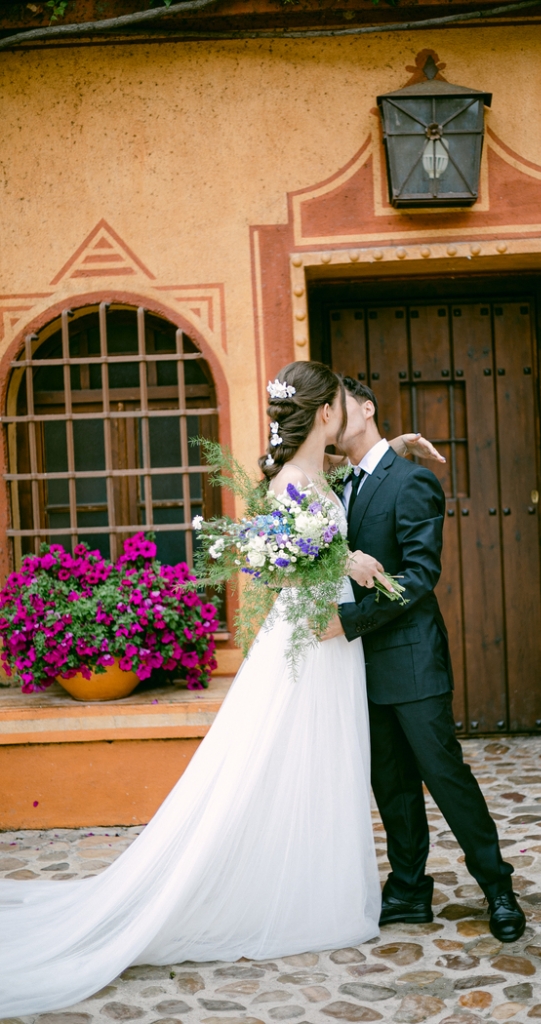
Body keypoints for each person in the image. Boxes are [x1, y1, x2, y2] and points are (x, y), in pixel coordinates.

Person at [0, 361, 442, 1018]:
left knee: (318, 763)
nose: (350, 413)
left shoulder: (312, 472)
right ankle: (308, 893)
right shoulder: (296, 479)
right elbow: (294, 570)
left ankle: (313, 877)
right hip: (315, 641)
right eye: (341, 405)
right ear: (324, 413)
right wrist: (344, 560)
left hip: (326, 642)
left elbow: (350, 494)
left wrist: (397, 448)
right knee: (296, 760)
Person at [322, 376, 526, 944]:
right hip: (357, 667)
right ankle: (410, 890)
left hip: (411, 659)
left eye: (333, 407)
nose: (325, 419)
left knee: (445, 777)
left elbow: (419, 577)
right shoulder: (336, 483)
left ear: (365, 408)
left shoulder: (412, 481)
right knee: (389, 782)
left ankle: (498, 888)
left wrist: (349, 622)